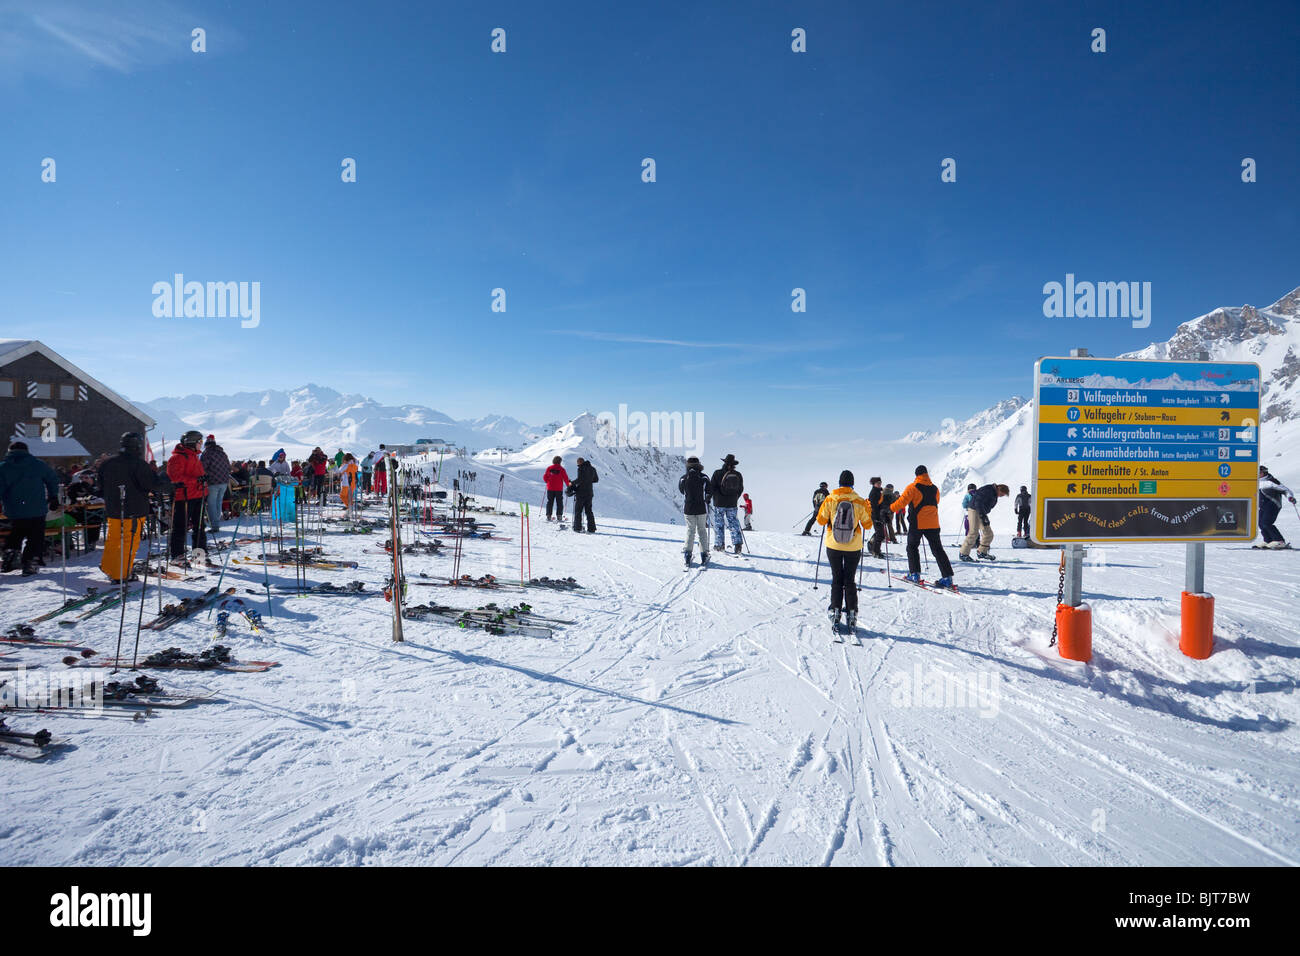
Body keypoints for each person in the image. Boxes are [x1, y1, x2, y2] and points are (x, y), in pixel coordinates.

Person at [97, 432, 169, 583]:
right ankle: (121, 574)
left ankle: (109, 566)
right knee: (128, 541)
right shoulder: (138, 463)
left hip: (113, 509)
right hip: (134, 509)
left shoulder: (107, 463)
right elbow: (151, 484)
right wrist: (168, 484)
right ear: (137, 446)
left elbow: (100, 487)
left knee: (114, 538)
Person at [816, 470, 872, 632]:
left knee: (836, 578)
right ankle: (852, 612)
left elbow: (820, 521)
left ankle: (835, 610)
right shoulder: (860, 501)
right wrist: (868, 510)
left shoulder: (831, 498)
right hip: (853, 546)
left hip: (833, 545)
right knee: (849, 579)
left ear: (839, 483)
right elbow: (868, 525)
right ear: (852, 484)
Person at [0, 440, 60, 576]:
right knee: (35, 537)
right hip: (37, 508)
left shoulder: (3, 467)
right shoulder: (38, 464)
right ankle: (30, 562)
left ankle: (10, 556)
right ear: (27, 451)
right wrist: (53, 496)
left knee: (16, 532)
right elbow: (52, 479)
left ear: (9, 451)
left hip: (14, 509)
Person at [891, 465, 955, 588]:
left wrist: (889, 508)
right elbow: (936, 501)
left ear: (916, 475)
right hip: (933, 523)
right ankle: (947, 578)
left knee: (912, 547)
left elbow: (901, 502)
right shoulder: (935, 488)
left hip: (917, 523)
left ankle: (914, 574)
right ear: (926, 474)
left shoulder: (912, 487)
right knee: (938, 550)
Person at [166, 430, 208, 560]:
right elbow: (175, 477)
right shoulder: (177, 458)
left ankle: (199, 555)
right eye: (200, 442)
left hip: (197, 496)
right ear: (192, 442)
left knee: (200, 527)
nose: (201, 444)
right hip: (183, 498)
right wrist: (197, 480)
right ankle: (177, 556)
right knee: (180, 528)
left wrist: (204, 484)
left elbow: (197, 475)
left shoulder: (194, 456)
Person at [960, 482, 1010, 561]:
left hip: (981, 512)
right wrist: (983, 516)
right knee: (973, 532)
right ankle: (963, 554)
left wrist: (983, 515)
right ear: (999, 489)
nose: (1001, 496)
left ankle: (982, 552)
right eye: (1002, 494)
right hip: (974, 510)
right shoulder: (988, 490)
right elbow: (978, 502)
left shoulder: (993, 493)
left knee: (988, 533)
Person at [679, 456, 712, 567]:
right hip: (701, 508)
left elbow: (681, 491)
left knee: (690, 531)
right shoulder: (704, 477)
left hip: (688, 508)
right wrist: (707, 499)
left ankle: (687, 555)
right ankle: (704, 554)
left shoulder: (684, 478)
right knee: (702, 530)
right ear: (699, 464)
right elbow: (709, 491)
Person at [710, 454, 745, 553]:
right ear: (734, 464)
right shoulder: (738, 475)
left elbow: (712, 487)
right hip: (732, 504)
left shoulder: (717, 473)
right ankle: (738, 545)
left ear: (724, 463)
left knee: (719, 524)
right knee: (733, 523)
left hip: (719, 503)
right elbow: (740, 489)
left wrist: (714, 497)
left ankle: (719, 545)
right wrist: (734, 498)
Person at [1258, 466, 1296, 548]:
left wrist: (1290, 497)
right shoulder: (1257, 482)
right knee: (1260, 523)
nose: (1258, 474)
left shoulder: (1271, 481)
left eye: (1260, 473)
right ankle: (1268, 540)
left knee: (1266, 522)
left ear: (1264, 473)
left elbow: (1286, 490)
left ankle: (1279, 541)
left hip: (1273, 504)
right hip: (1263, 506)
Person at [201, 434, 231, 534]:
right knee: (218, 503)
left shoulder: (206, 453)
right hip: (224, 482)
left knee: (212, 504)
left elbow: (202, 468)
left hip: (213, 482)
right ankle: (216, 523)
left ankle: (215, 526)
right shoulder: (222, 453)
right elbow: (228, 466)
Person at [570, 457, 599, 533]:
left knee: (578, 510)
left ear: (580, 462)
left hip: (581, 492)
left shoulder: (581, 468)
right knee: (589, 511)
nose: (577, 464)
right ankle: (592, 529)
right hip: (589, 493)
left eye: (578, 463)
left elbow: (580, 479)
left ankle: (577, 528)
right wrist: (588, 480)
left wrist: (571, 483)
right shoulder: (593, 469)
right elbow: (596, 479)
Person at [543, 456, 570, 521]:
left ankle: (548, 516)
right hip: (558, 488)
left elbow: (545, 477)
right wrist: (569, 486)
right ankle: (559, 516)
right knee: (559, 502)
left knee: (550, 502)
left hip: (550, 488)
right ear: (560, 461)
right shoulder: (562, 469)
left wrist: (548, 481)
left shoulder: (549, 468)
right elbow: (566, 478)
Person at [866, 476, 886, 557]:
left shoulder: (879, 491)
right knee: (880, 534)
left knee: (880, 533)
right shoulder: (874, 493)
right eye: (878, 483)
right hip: (875, 516)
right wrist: (877, 518)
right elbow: (874, 507)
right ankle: (875, 551)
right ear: (874, 484)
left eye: (880, 483)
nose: (880, 484)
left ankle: (873, 546)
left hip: (879, 515)